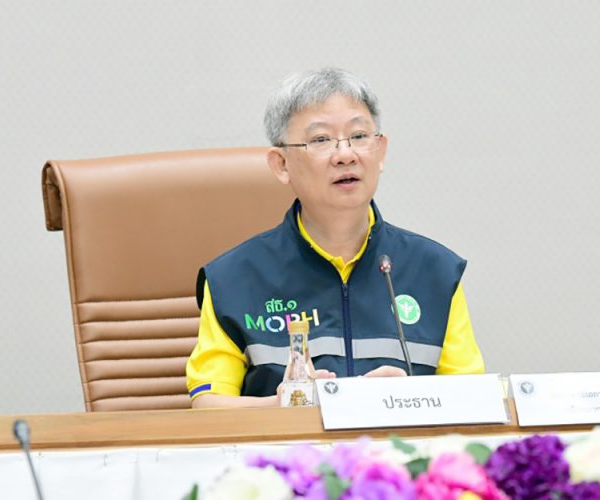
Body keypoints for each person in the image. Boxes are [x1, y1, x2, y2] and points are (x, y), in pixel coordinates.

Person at [186, 68, 485, 408]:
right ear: (281, 164)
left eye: (359, 136)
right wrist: (289, 405)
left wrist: (406, 402)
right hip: (287, 444)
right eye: (320, 140)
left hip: (394, 444)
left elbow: (474, 400)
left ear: (380, 152)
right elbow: (207, 407)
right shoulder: (234, 278)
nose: (345, 155)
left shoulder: (434, 271)